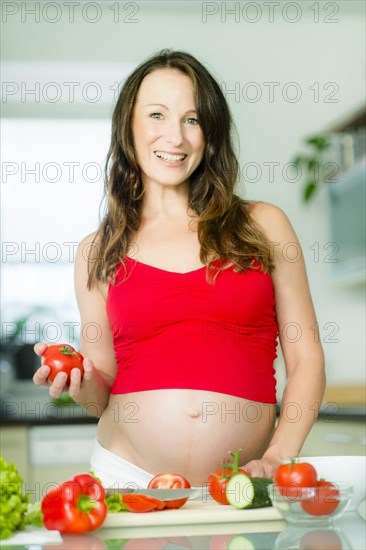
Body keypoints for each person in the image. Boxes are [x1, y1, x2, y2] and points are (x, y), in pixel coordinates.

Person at [33, 49, 325, 489]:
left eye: (192, 119)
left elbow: (307, 359)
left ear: (210, 133)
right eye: (156, 115)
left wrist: (279, 454)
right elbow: (102, 391)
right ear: (128, 128)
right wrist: (81, 382)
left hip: (239, 482)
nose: (175, 137)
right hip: (125, 475)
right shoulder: (98, 251)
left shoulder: (263, 225)